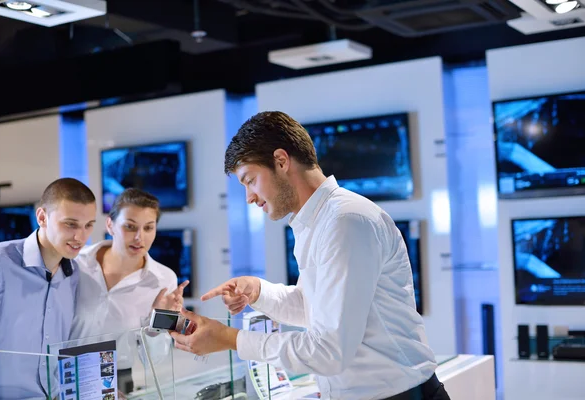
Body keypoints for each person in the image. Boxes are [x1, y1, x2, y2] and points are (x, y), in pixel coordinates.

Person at [170, 111, 451, 400]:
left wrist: (229, 338)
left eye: (250, 180)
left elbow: (329, 351)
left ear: (281, 160)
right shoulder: (317, 222)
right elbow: (315, 311)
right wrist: (258, 291)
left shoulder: (345, 221)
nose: (249, 197)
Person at [0, 178, 97, 399]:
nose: (80, 237)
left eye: (88, 225)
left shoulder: (74, 274)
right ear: (42, 217)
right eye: (70, 224)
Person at [70, 188, 187, 393]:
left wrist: (158, 322)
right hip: (66, 371)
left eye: (148, 228)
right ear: (110, 225)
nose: (139, 237)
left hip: (116, 378)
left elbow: (157, 358)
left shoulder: (166, 279)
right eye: (130, 227)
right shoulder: (75, 265)